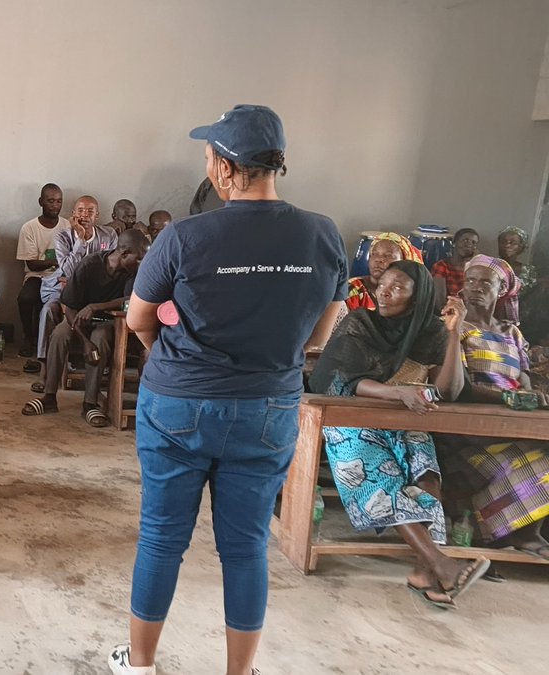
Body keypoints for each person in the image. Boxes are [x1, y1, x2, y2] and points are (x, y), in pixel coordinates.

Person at [108, 105, 348, 675]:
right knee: (245, 548)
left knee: (163, 539)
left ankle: (140, 664)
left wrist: (172, 360)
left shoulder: (186, 236)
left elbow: (138, 319)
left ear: (224, 167)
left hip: (178, 405)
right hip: (268, 408)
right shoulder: (322, 234)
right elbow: (318, 335)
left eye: (210, 154)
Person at [311, 260, 490, 609]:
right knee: (384, 481)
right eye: (384, 283)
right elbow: (338, 380)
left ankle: (425, 573)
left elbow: (449, 390)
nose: (384, 290)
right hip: (352, 418)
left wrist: (455, 333)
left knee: (427, 479)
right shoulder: (360, 323)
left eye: (398, 286)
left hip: (407, 420)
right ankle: (441, 565)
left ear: (418, 296)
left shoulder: (431, 333)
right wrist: (396, 392)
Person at [434, 256, 549, 555]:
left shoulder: (512, 333)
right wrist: (508, 398)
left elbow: (523, 378)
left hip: (511, 427)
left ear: (502, 290)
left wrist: (529, 394)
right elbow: (456, 389)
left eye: (486, 282)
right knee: (537, 462)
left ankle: (516, 531)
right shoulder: (452, 325)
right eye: (470, 281)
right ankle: (510, 533)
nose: (475, 288)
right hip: (467, 437)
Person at [23, 230, 146, 427]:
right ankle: (49, 396)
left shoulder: (133, 272)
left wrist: (96, 307)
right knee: (60, 334)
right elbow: (70, 307)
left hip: (108, 322)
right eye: (138, 258)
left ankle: (89, 403)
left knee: (101, 338)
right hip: (78, 318)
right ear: (123, 254)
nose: (142, 263)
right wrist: (84, 341)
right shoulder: (90, 265)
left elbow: (129, 300)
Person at [31, 197, 119, 377]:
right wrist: (80, 240)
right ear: (73, 214)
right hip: (61, 289)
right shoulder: (62, 236)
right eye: (80, 211)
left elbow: (112, 269)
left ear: (97, 215)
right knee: (48, 310)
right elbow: (68, 269)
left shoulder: (109, 235)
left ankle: (106, 365)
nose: (84, 215)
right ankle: (45, 365)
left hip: (97, 293)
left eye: (89, 211)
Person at [16, 184, 68, 366]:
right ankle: (28, 337)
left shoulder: (67, 226)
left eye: (59, 201)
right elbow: (32, 263)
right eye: (50, 201)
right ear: (41, 202)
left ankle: (46, 343)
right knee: (26, 298)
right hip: (36, 276)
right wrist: (57, 261)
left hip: (60, 276)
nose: (55, 205)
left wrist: (60, 266)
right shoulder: (29, 228)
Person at [345, 232, 423, 311]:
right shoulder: (353, 289)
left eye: (388, 255)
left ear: (405, 261)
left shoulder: (412, 296)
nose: (378, 259)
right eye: (374, 254)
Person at [430, 228, 479, 298]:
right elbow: (439, 300)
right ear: (454, 243)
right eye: (465, 240)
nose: (469, 244)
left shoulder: (474, 269)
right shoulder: (441, 266)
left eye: (473, 242)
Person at [498, 226, 537, 290]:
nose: (507, 245)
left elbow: (532, 294)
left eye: (513, 243)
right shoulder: (488, 266)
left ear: (521, 247)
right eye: (503, 242)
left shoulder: (529, 271)